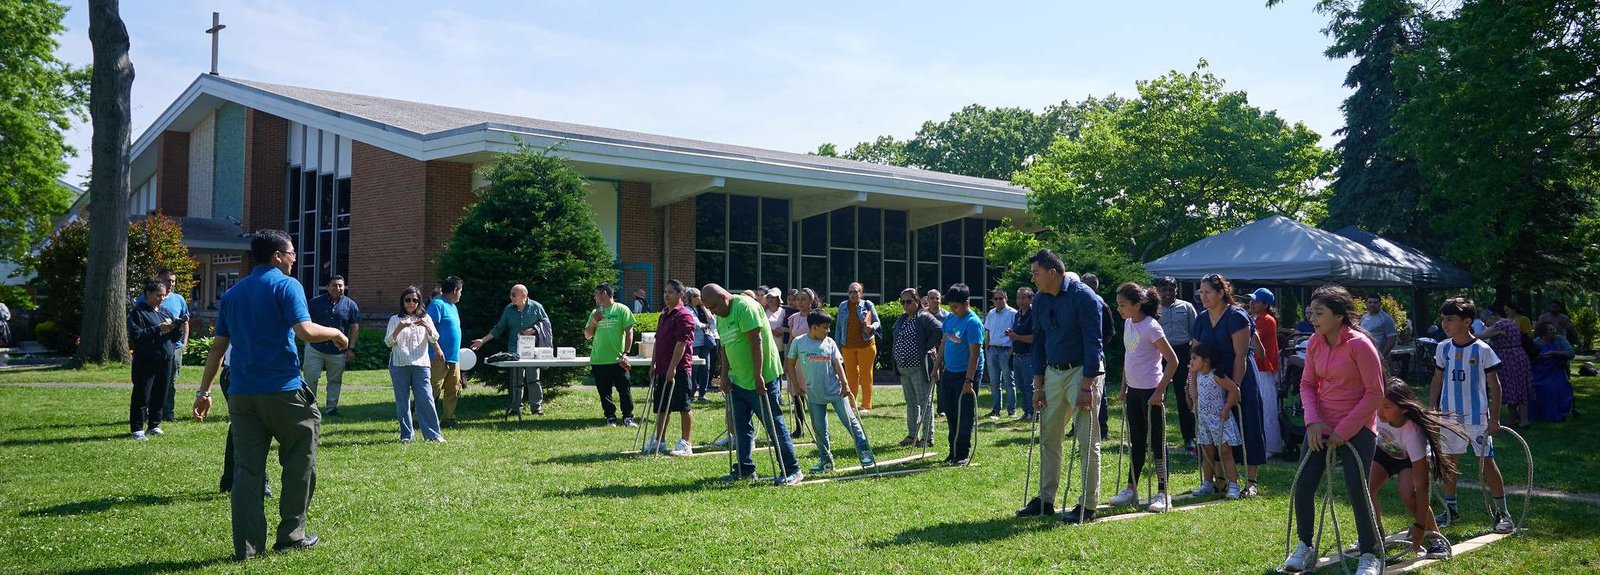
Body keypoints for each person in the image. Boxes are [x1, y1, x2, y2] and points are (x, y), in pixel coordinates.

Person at [192, 229, 348, 561]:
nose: (294, 259)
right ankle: (292, 536)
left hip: (242, 394)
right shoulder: (286, 285)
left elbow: (218, 348)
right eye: (291, 253)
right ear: (277, 256)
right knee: (300, 458)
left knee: (246, 472)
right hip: (283, 392)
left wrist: (204, 391)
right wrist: (336, 332)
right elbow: (305, 331)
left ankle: (247, 549)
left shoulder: (232, 294)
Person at [1280, 285, 1385, 575]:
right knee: (1303, 486)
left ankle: (1369, 554)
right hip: (1321, 426)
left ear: (1339, 316)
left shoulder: (1360, 344)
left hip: (1358, 427)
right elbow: (1306, 384)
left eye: (1320, 312)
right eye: (1311, 312)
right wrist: (1312, 422)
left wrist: (1345, 430)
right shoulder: (1314, 342)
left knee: (1357, 490)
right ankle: (1304, 546)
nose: (1313, 318)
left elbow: (1375, 393)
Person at [1016, 250, 1106, 524]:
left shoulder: (1084, 297)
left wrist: (1087, 385)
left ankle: (1088, 505)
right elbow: (1039, 343)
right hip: (1053, 373)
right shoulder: (1041, 300)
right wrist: (1038, 385)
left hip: (1083, 373)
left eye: (1036, 273)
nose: (1033, 279)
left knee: (1086, 441)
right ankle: (1045, 499)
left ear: (1053, 272)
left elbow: (1094, 343)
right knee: (1049, 437)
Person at [702, 284, 803, 485]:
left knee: (773, 423)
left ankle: (792, 468)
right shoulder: (721, 315)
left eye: (713, 306)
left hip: (762, 378)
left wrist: (758, 376)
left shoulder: (745, 307)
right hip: (738, 380)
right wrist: (723, 376)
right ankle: (745, 469)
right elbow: (725, 346)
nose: (712, 312)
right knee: (741, 427)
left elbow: (756, 343)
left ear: (723, 298)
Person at [1430, 297, 1516, 534]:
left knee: (1486, 462)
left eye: (1450, 319)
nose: (1445, 324)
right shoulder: (1443, 348)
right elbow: (1437, 379)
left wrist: (1495, 417)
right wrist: (1432, 410)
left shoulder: (1482, 349)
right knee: (1449, 462)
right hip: (1449, 418)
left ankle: (1503, 513)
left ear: (1467, 321)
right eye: (1443, 319)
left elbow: (1494, 385)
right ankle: (1451, 509)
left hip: (1477, 417)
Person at [1104, 283, 1179, 511]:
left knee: (1157, 442)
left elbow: (1173, 361)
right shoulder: (1128, 323)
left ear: (1137, 305)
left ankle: (1163, 492)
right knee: (1136, 441)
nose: (1119, 309)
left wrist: (1159, 391)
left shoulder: (1152, 327)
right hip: (1134, 391)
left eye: (1123, 305)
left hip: (1151, 392)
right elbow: (1130, 356)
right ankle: (1131, 489)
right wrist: (1124, 387)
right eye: (1118, 305)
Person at [1192, 274, 1266, 497]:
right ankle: (1220, 479)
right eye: (1201, 293)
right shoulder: (1202, 318)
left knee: (1248, 424)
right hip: (1211, 380)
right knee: (1215, 428)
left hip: (1240, 376)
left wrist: (1235, 388)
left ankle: (1251, 482)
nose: (1203, 297)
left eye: (1208, 292)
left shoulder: (1237, 316)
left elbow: (1240, 355)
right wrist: (1192, 387)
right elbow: (1195, 355)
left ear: (1221, 293)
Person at [1371, 378, 1455, 559]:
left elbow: (1423, 485)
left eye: (1387, 407)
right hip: (1384, 452)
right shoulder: (1376, 413)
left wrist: (1419, 526)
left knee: (1409, 495)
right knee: (1366, 489)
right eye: (1379, 405)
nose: (1380, 411)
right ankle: (1375, 535)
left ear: (1403, 409)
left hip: (1408, 460)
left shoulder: (1413, 434)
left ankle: (1435, 538)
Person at [788, 310, 876, 472]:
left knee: (850, 422)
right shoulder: (799, 342)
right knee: (820, 429)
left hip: (836, 392)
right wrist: (795, 384)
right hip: (814, 395)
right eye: (825, 327)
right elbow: (790, 364)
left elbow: (838, 365)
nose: (828, 331)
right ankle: (826, 461)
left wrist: (845, 384)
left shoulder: (829, 342)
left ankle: (865, 453)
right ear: (814, 327)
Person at [470, 284, 551, 416]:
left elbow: (546, 324)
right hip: (514, 351)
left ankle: (536, 408)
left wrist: (534, 329)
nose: (511, 297)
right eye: (510, 294)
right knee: (516, 381)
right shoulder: (509, 310)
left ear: (524, 295)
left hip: (532, 351)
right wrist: (482, 340)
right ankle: (515, 408)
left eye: (514, 294)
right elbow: (499, 328)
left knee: (533, 379)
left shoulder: (537, 307)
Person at [384, 286, 444, 443]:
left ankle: (433, 435)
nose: (411, 303)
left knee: (426, 399)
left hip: (421, 365)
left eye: (415, 300)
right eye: (408, 300)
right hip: (399, 365)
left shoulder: (426, 318)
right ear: (403, 301)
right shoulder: (394, 319)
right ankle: (407, 436)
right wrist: (399, 328)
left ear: (419, 302)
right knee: (402, 402)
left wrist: (427, 326)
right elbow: (389, 343)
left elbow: (434, 338)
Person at [644, 280, 696, 456]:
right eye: (665, 292)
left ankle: (685, 443)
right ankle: (659, 440)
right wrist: (653, 364)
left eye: (670, 292)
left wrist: (672, 368)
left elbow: (681, 344)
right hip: (662, 368)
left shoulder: (685, 315)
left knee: (683, 406)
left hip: (679, 369)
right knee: (661, 407)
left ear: (680, 294)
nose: (666, 295)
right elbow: (658, 341)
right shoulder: (664, 314)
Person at [933, 283, 983, 467]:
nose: (953, 310)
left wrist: (969, 381)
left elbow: (975, 355)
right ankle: (952, 451)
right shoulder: (950, 319)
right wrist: (936, 366)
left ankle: (962, 454)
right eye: (951, 307)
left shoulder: (973, 323)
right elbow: (944, 343)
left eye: (956, 307)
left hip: (967, 374)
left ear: (967, 303)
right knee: (951, 413)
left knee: (965, 415)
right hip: (949, 373)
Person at [1189, 341, 1242, 500]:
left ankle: (1233, 484)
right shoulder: (1198, 375)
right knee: (1207, 453)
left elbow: (1234, 389)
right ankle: (1207, 483)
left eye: (1194, 358)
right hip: (1205, 420)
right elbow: (1194, 395)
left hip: (1219, 420)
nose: (1191, 362)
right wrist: (1191, 375)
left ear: (1206, 361)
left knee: (1225, 452)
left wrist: (1226, 409)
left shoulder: (1217, 375)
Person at [127, 279, 177, 440]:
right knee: (142, 393)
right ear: (148, 294)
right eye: (158, 295)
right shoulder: (138, 313)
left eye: (164, 295)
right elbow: (137, 335)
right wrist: (158, 328)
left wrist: (178, 327)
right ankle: (137, 428)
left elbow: (173, 337)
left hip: (165, 358)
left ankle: (154, 424)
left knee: (160, 392)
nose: (162, 298)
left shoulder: (165, 312)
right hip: (146, 360)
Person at [303, 275, 359, 416]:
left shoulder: (351, 305)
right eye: (334, 285)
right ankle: (310, 407)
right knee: (311, 378)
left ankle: (331, 408)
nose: (338, 288)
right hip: (315, 348)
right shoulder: (315, 303)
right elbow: (306, 323)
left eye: (341, 285)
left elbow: (355, 327)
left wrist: (351, 349)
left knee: (335, 380)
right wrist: (307, 341)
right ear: (327, 287)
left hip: (338, 351)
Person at [1154, 277, 1199, 453]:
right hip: (1160, 354)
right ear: (1158, 291)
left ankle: (1189, 437)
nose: (1168, 293)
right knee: (1158, 394)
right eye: (1164, 290)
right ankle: (1157, 436)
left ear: (1176, 290)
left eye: (1171, 290)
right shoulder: (1153, 308)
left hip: (1182, 353)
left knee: (1184, 395)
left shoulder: (1187, 307)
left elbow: (1195, 332)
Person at [893, 288, 943, 447]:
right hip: (904, 369)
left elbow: (939, 330)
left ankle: (928, 437)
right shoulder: (902, 318)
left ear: (917, 301)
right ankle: (912, 435)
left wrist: (927, 346)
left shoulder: (924, 317)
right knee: (911, 403)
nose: (905, 305)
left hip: (919, 368)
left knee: (924, 402)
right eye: (903, 302)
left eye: (909, 301)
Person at [584, 283, 637, 427]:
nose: (595, 297)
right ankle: (610, 417)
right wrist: (595, 321)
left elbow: (629, 332)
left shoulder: (622, 309)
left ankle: (628, 417)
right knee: (604, 392)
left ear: (605, 294)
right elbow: (587, 336)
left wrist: (626, 353)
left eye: (596, 294)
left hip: (618, 359)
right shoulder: (595, 313)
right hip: (599, 359)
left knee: (624, 390)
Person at [1479, 305, 1532, 428]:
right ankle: (1514, 419)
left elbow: (1482, 336)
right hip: (1518, 356)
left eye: (1486, 321)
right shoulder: (1511, 322)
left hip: (1509, 358)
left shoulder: (1500, 325)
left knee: (1515, 387)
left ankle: (1523, 420)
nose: (1487, 324)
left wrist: (1464, 334)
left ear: (1492, 317)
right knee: (1516, 387)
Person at [833, 282, 881, 412]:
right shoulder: (843, 306)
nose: (853, 294)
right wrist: (837, 347)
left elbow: (877, 322)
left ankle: (866, 405)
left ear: (861, 293)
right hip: (847, 346)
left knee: (866, 375)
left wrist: (872, 327)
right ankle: (852, 404)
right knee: (851, 376)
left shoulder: (867, 305)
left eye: (856, 292)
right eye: (850, 292)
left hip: (866, 345)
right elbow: (838, 327)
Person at [1249, 288, 1284, 458]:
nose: (1252, 303)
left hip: (1264, 368)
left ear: (1265, 304)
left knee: (1267, 407)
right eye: (1252, 300)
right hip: (1257, 367)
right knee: (1258, 407)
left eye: (1256, 301)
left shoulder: (1266, 320)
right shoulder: (1257, 318)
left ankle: (1272, 446)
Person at [426, 277, 464, 428]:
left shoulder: (453, 307)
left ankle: (448, 418)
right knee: (433, 387)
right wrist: (436, 348)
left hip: (453, 357)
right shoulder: (437, 304)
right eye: (460, 291)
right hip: (438, 357)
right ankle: (418, 417)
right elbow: (428, 328)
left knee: (454, 389)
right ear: (455, 290)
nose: (461, 294)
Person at [766, 287, 803, 438]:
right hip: (770, 347)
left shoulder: (787, 312)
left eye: (773, 297)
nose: (770, 300)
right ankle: (775, 395)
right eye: (769, 297)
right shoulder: (763, 311)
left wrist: (783, 330)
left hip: (785, 347)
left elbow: (791, 329)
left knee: (784, 372)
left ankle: (803, 425)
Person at [1529, 321, 1575, 421]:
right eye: (1550, 330)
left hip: (1556, 371)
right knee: (1534, 386)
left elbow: (1570, 353)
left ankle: (1554, 414)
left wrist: (1555, 353)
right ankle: (1536, 414)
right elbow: (1530, 359)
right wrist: (1538, 357)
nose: (1554, 331)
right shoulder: (1537, 342)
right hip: (1539, 372)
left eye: (1554, 329)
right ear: (1543, 333)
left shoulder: (1560, 340)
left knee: (1550, 387)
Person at [983, 289, 1018, 419]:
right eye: (996, 299)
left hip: (1006, 350)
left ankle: (1012, 410)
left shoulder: (1013, 313)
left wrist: (1011, 351)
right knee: (994, 382)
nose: (998, 301)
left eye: (1001, 298)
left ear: (1006, 299)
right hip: (992, 350)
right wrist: (987, 348)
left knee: (1009, 382)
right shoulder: (991, 313)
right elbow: (988, 332)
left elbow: (1015, 333)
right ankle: (996, 409)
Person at [1009, 287, 1038, 422]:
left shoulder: (1034, 314)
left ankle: (1033, 413)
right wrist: (1011, 334)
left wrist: (1016, 337)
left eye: (1023, 297)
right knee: (1020, 385)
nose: (1020, 300)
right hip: (1017, 355)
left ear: (1031, 299)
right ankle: (1027, 411)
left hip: (1029, 356)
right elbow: (1016, 335)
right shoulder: (1018, 314)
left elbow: (1034, 338)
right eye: (1018, 297)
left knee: (1029, 386)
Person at [687, 287, 719, 402]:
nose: (699, 298)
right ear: (691, 298)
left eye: (700, 296)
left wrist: (704, 308)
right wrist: (704, 325)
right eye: (696, 296)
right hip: (695, 344)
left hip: (705, 343)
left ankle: (702, 394)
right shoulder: (688, 309)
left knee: (706, 368)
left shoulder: (703, 308)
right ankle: (691, 393)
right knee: (694, 369)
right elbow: (695, 325)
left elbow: (712, 322)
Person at [1361, 294, 1399, 360]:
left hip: (1379, 355)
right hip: (1365, 354)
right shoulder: (1364, 317)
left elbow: (1391, 338)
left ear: (1380, 304)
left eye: (1375, 302)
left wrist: (1382, 356)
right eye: (1370, 302)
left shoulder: (1386, 318)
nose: (1372, 305)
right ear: (1366, 304)